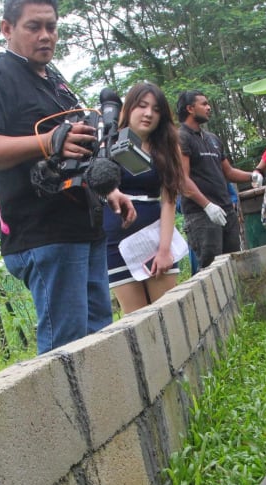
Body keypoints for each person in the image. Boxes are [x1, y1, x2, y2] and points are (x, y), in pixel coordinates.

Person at [0, 0, 136, 354]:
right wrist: (48, 141)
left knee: (98, 339)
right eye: (33, 27)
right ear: (7, 29)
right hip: (42, 232)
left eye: (51, 27)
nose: (45, 36)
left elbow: (78, 148)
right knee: (66, 349)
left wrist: (108, 189)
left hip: (84, 223)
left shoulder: (55, 81)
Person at [103, 83, 185, 314]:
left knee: (167, 313)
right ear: (128, 108)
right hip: (116, 241)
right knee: (135, 319)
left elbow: (169, 201)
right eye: (142, 106)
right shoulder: (109, 142)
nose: (148, 113)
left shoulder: (167, 147)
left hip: (154, 237)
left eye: (156, 109)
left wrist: (164, 250)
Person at [177, 89, 262, 269]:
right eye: (204, 104)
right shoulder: (180, 138)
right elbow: (182, 180)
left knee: (234, 264)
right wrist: (207, 205)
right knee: (211, 270)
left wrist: (253, 175)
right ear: (190, 109)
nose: (209, 108)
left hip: (226, 211)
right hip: (201, 215)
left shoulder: (212, 139)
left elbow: (228, 172)